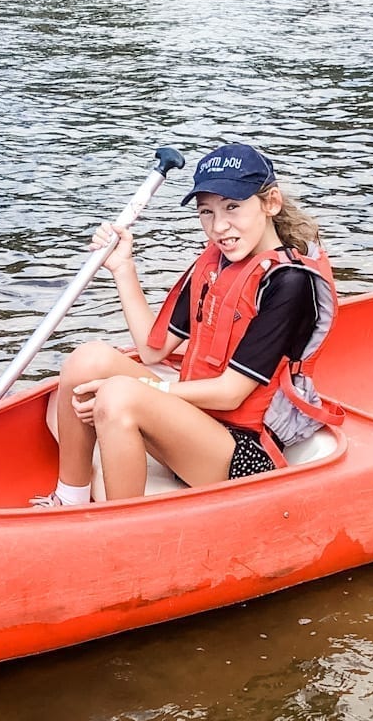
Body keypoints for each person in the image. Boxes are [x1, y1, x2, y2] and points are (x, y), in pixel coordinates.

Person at [36, 143, 337, 506]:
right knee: (87, 361)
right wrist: (122, 267)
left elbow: (230, 393)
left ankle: (120, 532)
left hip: (244, 452)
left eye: (233, 207)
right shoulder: (215, 265)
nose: (219, 226)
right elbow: (152, 349)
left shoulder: (290, 283)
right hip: (193, 424)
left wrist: (148, 392)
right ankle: (69, 500)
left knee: (119, 393)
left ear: (271, 203)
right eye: (206, 212)